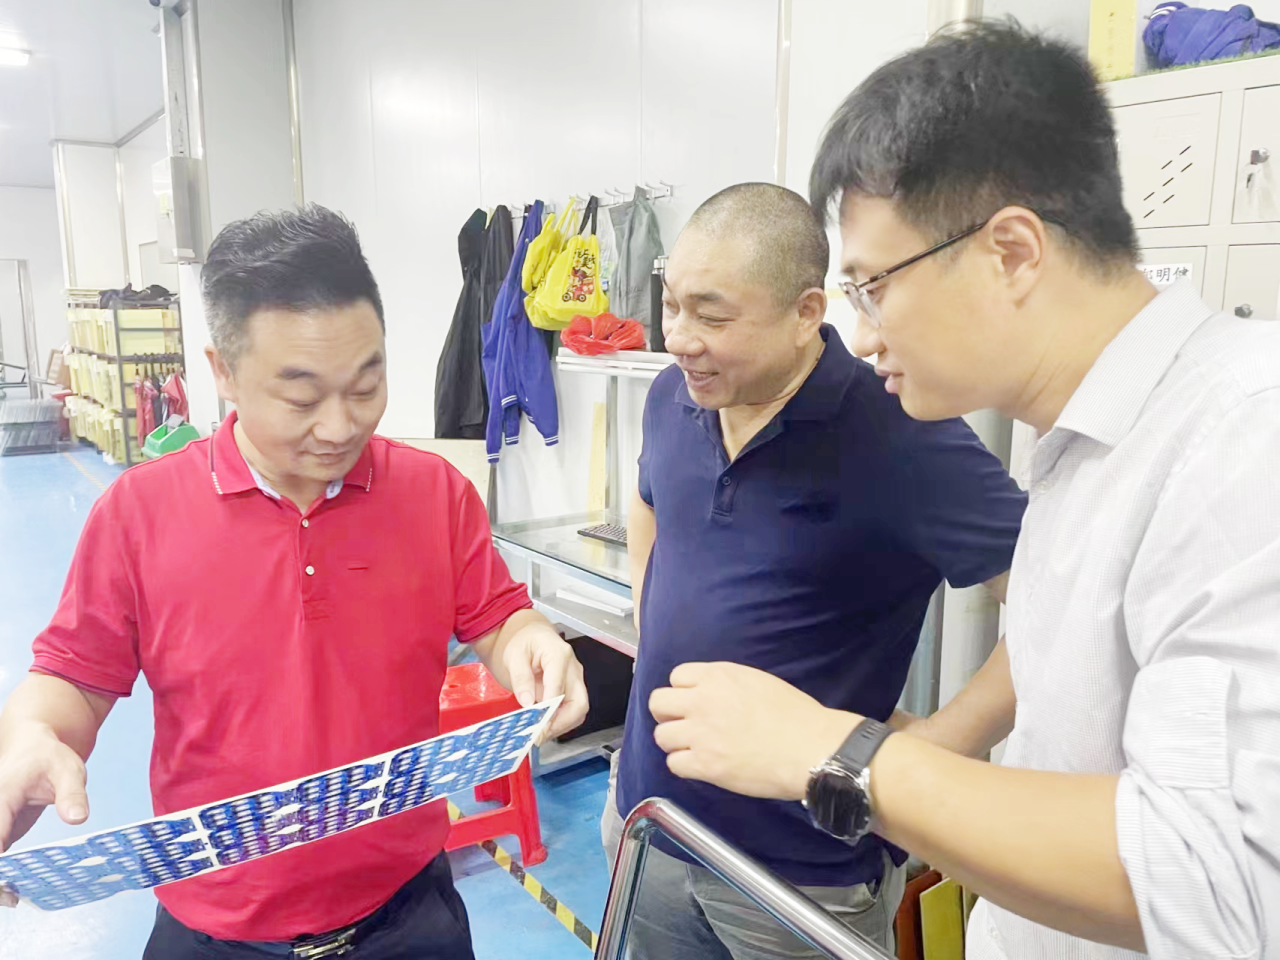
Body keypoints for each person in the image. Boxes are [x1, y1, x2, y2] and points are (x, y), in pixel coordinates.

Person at [646, 23, 1280, 960]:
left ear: (1011, 252)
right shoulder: (1084, 446)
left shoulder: (1245, 434)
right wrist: (923, 751)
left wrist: (838, 755)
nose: (865, 336)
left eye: (873, 288)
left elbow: (1224, 882)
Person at [0, 205, 589, 959]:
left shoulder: (435, 493)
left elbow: (497, 620)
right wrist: (33, 737)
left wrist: (532, 642)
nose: (340, 427)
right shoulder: (138, 515)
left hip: (407, 913)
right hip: (218, 930)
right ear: (222, 371)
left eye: (367, 384)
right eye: (302, 399)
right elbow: (76, 680)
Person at [606, 182, 1027, 959]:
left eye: (712, 316)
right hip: (650, 825)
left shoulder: (900, 435)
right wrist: (650, 615)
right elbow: (648, 502)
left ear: (806, 314)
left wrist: (930, 752)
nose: (680, 338)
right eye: (671, 305)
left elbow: (1055, 599)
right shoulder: (673, 396)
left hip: (800, 874)